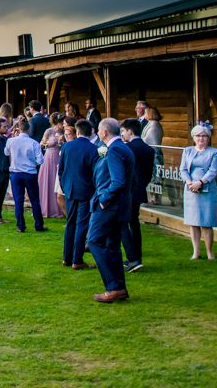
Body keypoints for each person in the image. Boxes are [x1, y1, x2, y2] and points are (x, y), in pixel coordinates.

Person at [87, 118, 134, 303]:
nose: (98, 133)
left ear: (104, 132)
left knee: (94, 241)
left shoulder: (114, 150)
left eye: (99, 130)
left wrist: (104, 199)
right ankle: (120, 288)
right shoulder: (124, 148)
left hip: (110, 206)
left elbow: (118, 181)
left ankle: (113, 287)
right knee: (112, 245)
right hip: (121, 204)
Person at [179, 122, 217, 260]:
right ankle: (196, 251)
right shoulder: (188, 150)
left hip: (206, 188)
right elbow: (183, 169)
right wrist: (189, 182)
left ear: (208, 138)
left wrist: (200, 182)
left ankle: (210, 251)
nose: (201, 138)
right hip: (190, 188)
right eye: (198, 136)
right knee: (194, 221)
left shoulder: (214, 152)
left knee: (207, 222)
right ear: (193, 137)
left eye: (204, 136)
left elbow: (213, 170)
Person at [60, 119, 98, 269]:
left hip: (70, 189)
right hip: (85, 190)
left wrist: (64, 186)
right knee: (81, 225)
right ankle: (77, 260)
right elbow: (95, 173)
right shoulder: (92, 149)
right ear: (90, 132)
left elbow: (61, 170)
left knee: (70, 223)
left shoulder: (67, 146)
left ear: (77, 132)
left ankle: (66, 258)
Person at [120, 118, 155, 273]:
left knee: (123, 223)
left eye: (123, 132)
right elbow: (148, 174)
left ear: (130, 131)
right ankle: (136, 257)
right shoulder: (149, 149)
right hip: (140, 189)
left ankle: (133, 258)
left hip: (128, 190)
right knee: (134, 222)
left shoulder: (127, 148)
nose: (122, 135)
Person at [5, 119, 47, 232]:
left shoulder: (11, 141)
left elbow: (6, 153)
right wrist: (31, 160)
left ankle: (20, 226)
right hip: (30, 173)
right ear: (29, 130)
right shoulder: (34, 143)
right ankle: (38, 224)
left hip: (16, 173)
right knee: (34, 200)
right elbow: (41, 160)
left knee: (18, 200)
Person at [37, 118, 64, 219]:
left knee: (56, 180)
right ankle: (47, 208)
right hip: (49, 156)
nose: (63, 125)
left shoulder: (64, 132)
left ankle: (59, 208)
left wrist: (61, 142)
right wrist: (48, 143)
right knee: (48, 179)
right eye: (62, 123)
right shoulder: (49, 131)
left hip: (59, 156)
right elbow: (41, 143)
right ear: (58, 123)